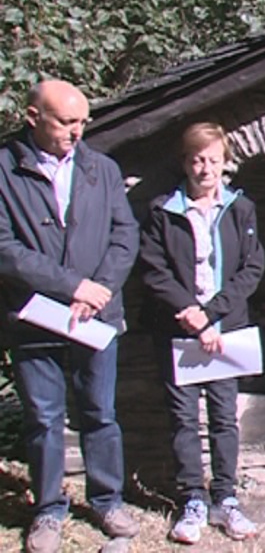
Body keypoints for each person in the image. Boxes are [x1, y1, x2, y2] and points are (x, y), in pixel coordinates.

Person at [0, 79, 141, 552]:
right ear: (33, 117)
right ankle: (47, 510)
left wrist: (97, 291)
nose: (77, 131)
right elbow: (4, 250)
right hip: (32, 318)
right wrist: (70, 285)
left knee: (101, 413)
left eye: (82, 121)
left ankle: (107, 500)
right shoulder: (3, 170)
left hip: (95, 316)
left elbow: (126, 235)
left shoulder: (101, 168)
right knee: (43, 417)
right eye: (66, 121)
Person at [138, 122, 265, 544]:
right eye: (197, 160)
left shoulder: (240, 209)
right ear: (185, 163)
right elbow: (154, 270)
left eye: (213, 159)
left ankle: (225, 498)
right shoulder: (163, 211)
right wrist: (189, 314)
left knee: (224, 418)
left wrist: (212, 316)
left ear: (225, 163)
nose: (204, 168)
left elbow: (252, 268)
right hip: (178, 330)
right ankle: (192, 498)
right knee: (183, 419)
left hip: (225, 331)